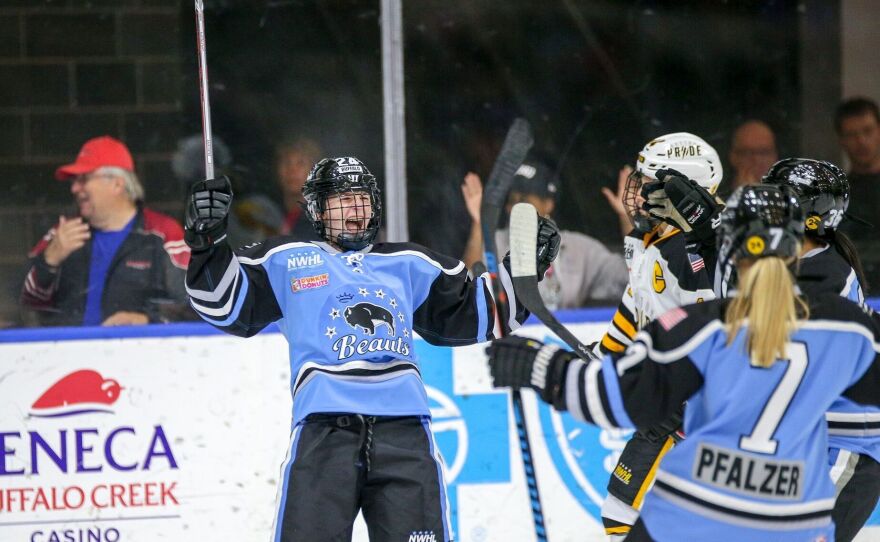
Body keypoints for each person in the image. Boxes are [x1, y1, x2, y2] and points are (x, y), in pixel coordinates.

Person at [182, 156, 559, 541]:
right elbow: (223, 304)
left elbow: (481, 314)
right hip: (325, 429)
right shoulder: (286, 260)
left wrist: (525, 270)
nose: (356, 207)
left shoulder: (408, 262)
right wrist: (207, 241)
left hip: (406, 431)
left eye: (362, 198)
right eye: (343, 198)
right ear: (316, 208)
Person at [486, 183, 880, 541]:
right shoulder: (847, 330)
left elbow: (616, 397)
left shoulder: (702, 327)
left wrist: (540, 367)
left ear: (729, 250)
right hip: (796, 520)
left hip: (697, 511)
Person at [587, 132, 724, 539]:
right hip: (668, 398)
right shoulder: (649, 239)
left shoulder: (698, 253)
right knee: (625, 506)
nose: (639, 192)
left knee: (629, 508)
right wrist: (606, 354)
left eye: (650, 184)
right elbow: (636, 307)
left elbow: (717, 323)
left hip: (694, 406)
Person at [760, 158, 878, 542]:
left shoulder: (825, 273)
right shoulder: (788, 261)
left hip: (850, 446)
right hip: (811, 443)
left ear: (811, 217)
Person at [20, 135, 190, 327]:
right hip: (68, 354)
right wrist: (49, 261)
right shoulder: (62, 232)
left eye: (84, 179)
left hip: (140, 353)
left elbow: (197, 305)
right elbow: (27, 305)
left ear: (117, 184)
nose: (75, 188)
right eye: (74, 181)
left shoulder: (164, 233)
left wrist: (148, 320)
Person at [461, 158, 628, 308]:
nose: (514, 209)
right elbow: (466, 290)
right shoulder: (495, 242)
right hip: (509, 340)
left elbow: (633, 279)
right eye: (512, 201)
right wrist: (478, 223)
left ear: (548, 204)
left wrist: (626, 218)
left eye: (524, 201)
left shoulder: (579, 249)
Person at [834, 97, 880, 287]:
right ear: (841, 140)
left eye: (867, 131)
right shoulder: (835, 197)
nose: (861, 141)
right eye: (852, 134)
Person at [727, 119, 779, 192]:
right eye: (748, 153)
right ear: (733, 157)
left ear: (775, 156)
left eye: (764, 152)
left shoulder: (788, 196)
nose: (756, 159)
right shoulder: (715, 196)